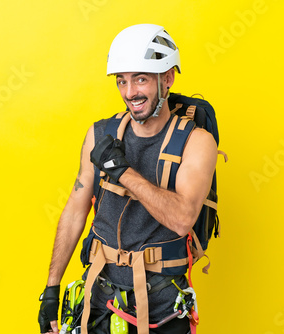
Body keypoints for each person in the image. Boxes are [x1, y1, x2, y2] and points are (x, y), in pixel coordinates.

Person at [38, 24, 218, 334]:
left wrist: (122, 171)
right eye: (122, 81)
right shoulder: (100, 135)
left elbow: (182, 218)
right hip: (99, 300)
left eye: (141, 79)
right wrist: (51, 290)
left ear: (168, 79)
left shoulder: (196, 142)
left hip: (162, 305)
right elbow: (75, 210)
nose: (130, 92)